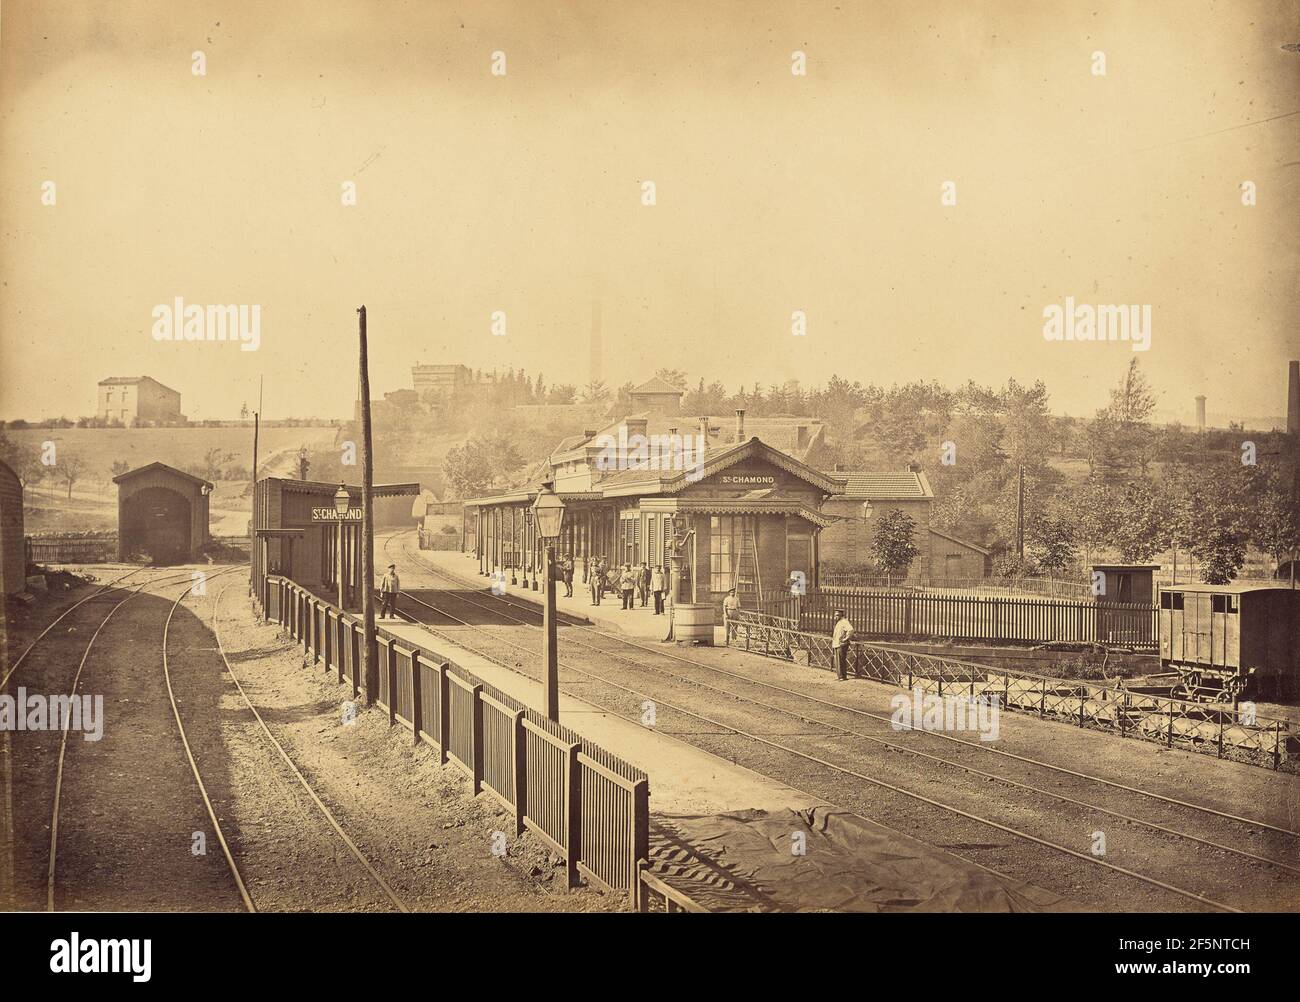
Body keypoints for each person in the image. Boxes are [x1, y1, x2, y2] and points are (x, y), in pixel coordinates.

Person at [831, 608, 855, 680]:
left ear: (841, 615)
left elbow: (851, 630)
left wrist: (846, 639)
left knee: (841, 660)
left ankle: (842, 676)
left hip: (842, 644)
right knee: (837, 661)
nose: (836, 617)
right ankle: (839, 676)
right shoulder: (839, 622)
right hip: (837, 644)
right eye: (835, 615)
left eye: (837, 615)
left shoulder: (844, 621)